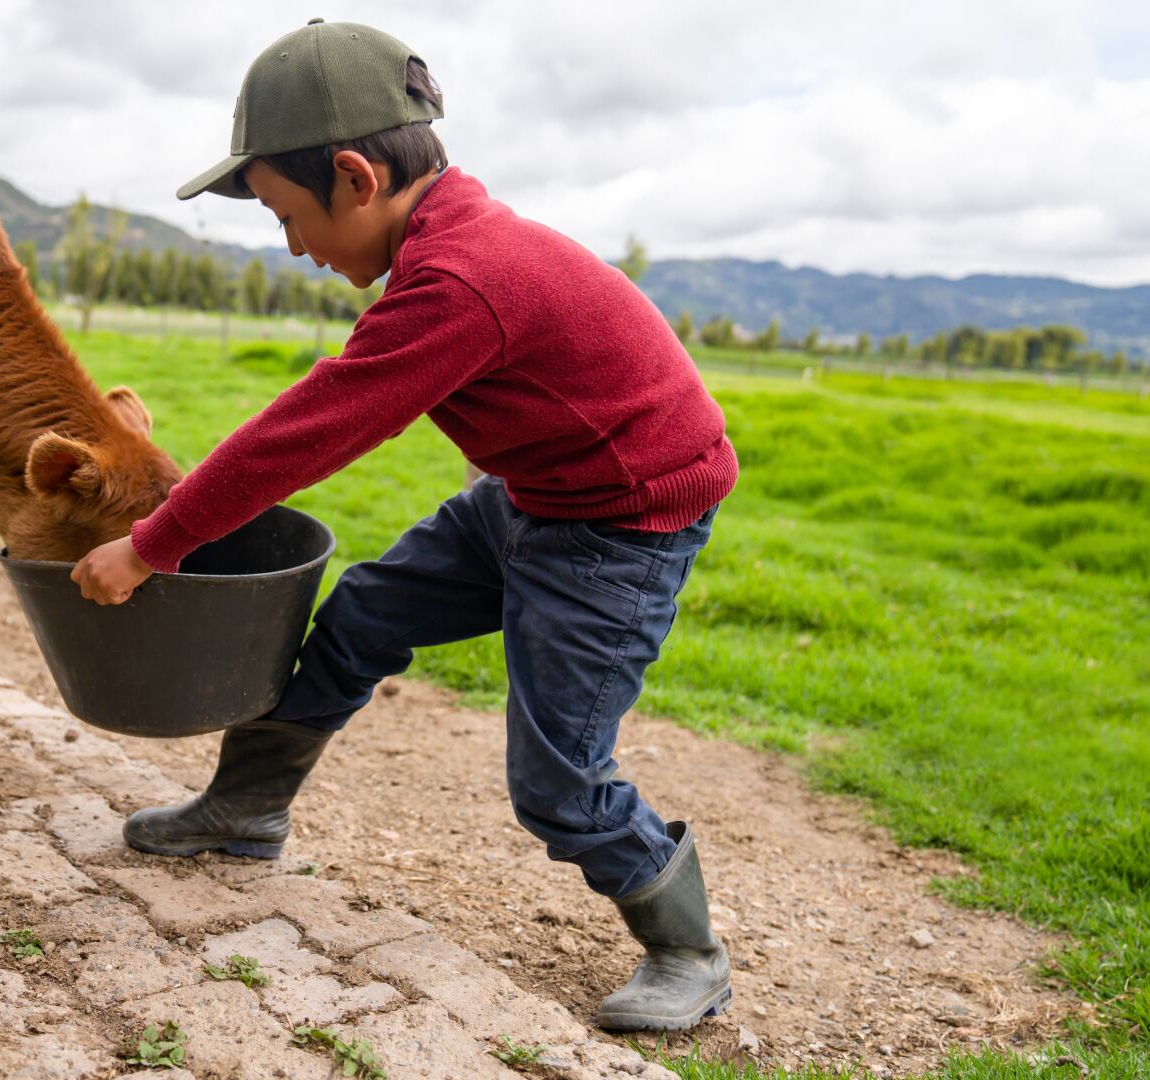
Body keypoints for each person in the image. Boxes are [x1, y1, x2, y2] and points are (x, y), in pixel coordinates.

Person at [71, 19, 736, 1032]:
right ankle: (246, 808)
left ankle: (688, 950)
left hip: (618, 534)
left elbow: (308, 431)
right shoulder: (451, 250)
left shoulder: (460, 277)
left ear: (354, 177)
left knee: (558, 778)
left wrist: (152, 542)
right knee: (362, 614)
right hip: (531, 498)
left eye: (289, 216)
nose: (293, 246)